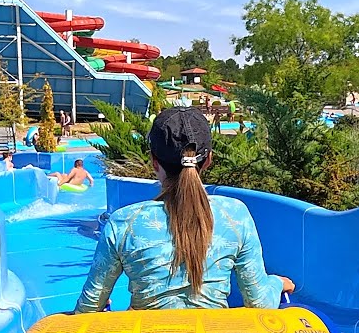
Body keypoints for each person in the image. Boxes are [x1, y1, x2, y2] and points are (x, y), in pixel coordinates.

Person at [75, 107, 293, 312]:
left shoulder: (124, 222)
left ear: (154, 161)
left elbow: (88, 307)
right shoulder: (235, 214)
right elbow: (259, 302)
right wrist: (275, 283)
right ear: (208, 160)